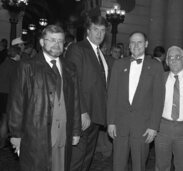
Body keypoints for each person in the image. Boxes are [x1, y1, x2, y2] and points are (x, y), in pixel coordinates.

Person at [8, 25, 81, 171]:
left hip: (63, 133)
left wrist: (76, 130)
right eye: (52, 40)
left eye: (60, 41)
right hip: (37, 132)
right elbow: (17, 101)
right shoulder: (28, 66)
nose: (57, 44)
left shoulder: (70, 67)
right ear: (42, 42)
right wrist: (15, 134)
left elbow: (75, 100)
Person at [107, 31, 164, 171]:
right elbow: (111, 95)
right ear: (129, 45)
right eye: (133, 42)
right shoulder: (119, 64)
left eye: (139, 42)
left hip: (143, 127)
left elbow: (159, 99)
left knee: (139, 166)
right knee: (118, 165)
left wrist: (154, 127)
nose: (136, 45)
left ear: (146, 44)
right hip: (120, 125)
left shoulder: (155, 66)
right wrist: (110, 122)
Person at [66, 16, 111, 171]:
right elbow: (73, 82)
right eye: (95, 29)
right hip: (83, 114)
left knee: (87, 157)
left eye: (103, 30)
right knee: (76, 160)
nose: (99, 34)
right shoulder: (77, 48)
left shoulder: (100, 53)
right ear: (87, 30)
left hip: (96, 113)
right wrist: (82, 111)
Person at [154, 46, 183, 171]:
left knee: (182, 166)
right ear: (167, 62)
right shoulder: (159, 78)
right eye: (170, 58)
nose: (174, 60)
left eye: (178, 57)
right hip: (162, 128)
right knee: (161, 165)